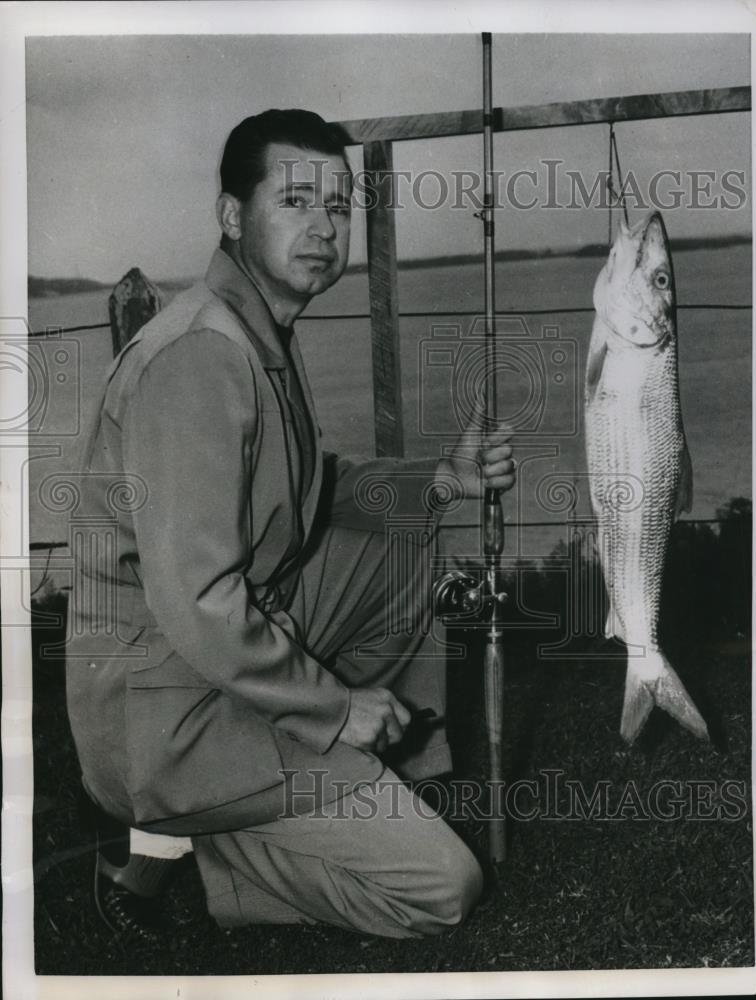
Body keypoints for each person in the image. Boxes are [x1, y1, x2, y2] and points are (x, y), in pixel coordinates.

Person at [65, 109, 516, 942]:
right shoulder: (201, 355)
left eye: (339, 206)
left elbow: (305, 487)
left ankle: (339, 777)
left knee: (402, 565)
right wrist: (335, 708)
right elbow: (199, 595)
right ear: (233, 217)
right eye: (297, 200)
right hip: (164, 712)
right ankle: (197, 842)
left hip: (215, 650)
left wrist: (438, 482)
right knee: (442, 890)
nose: (324, 227)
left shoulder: (254, 327)